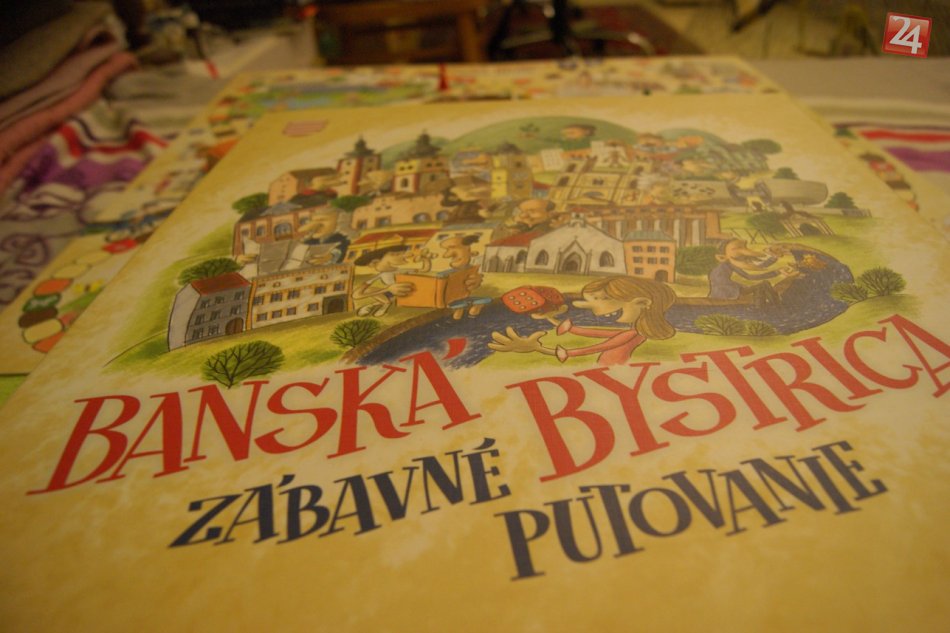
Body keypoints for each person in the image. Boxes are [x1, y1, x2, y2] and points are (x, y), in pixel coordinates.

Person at [488, 276, 676, 365]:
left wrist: (538, 348)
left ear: (642, 303)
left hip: (612, 367)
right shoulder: (635, 332)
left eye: (601, 299)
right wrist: (563, 325)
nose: (585, 306)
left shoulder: (632, 333)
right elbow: (598, 333)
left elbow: (597, 347)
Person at [353, 245, 432, 316]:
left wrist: (425, 259)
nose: (403, 256)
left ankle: (378, 305)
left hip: (403, 293)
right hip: (388, 293)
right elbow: (356, 295)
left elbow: (424, 270)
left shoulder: (402, 271)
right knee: (369, 290)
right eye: (395, 254)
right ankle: (384, 305)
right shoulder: (380, 275)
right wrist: (387, 289)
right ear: (376, 261)